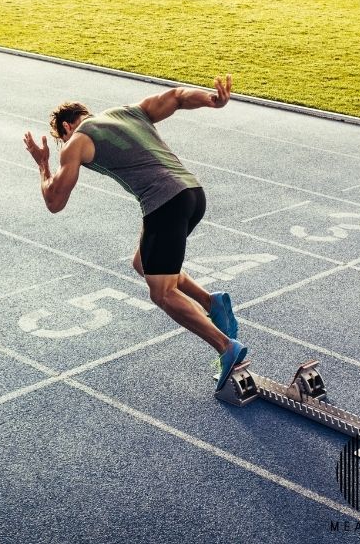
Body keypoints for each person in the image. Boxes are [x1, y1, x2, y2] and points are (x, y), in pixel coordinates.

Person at [22, 75, 246, 390]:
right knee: (143, 264)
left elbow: (54, 202)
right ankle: (213, 304)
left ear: (66, 129)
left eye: (62, 139)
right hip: (193, 194)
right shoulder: (127, 111)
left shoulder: (75, 143)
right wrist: (213, 100)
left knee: (162, 293)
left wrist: (43, 163)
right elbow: (178, 95)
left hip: (164, 203)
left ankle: (226, 347)